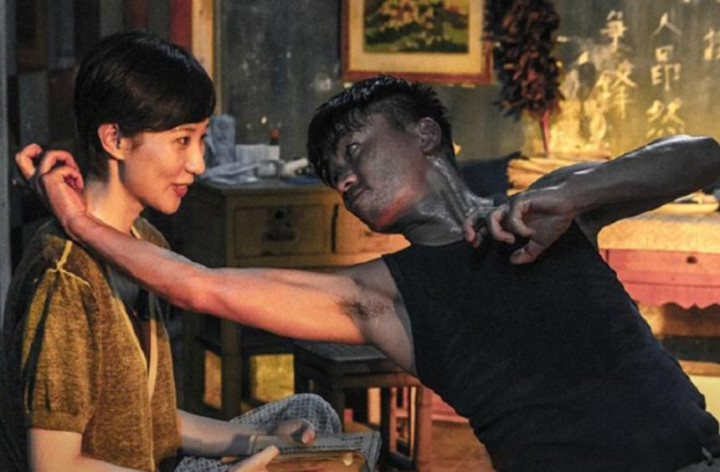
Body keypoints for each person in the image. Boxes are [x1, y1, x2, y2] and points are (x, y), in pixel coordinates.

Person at [18, 75, 720, 472]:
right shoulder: (380, 296)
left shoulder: (549, 209)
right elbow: (194, 283)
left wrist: (576, 197)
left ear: (425, 134)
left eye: (355, 151)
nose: (346, 180)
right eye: (334, 175)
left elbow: (700, 156)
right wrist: (79, 222)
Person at [1, 31, 341, 472]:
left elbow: (151, 420)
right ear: (115, 139)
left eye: (201, 140)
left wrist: (262, 441)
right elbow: (55, 466)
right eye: (183, 140)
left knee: (314, 415)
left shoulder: (146, 243)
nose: (198, 163)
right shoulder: (65, 279)